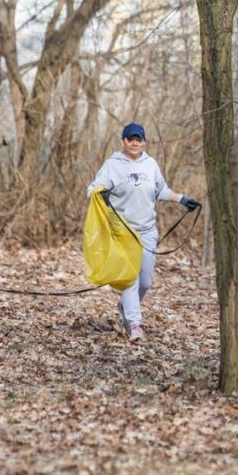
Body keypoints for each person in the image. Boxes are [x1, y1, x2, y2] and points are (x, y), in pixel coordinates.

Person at [87, 122, 200, 343]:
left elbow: (160, 190)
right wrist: (100, 194)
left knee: (145, 281)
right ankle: (134, 323)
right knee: (130, 279)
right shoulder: (113, 165)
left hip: (147, 231)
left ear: (144, 142)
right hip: (123, 231)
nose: (135, 143)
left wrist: (182, 199)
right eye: (131, 139)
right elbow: (92, 189)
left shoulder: (151, 164)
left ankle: (126, 306)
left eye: (139, 139)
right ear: (123, 142)